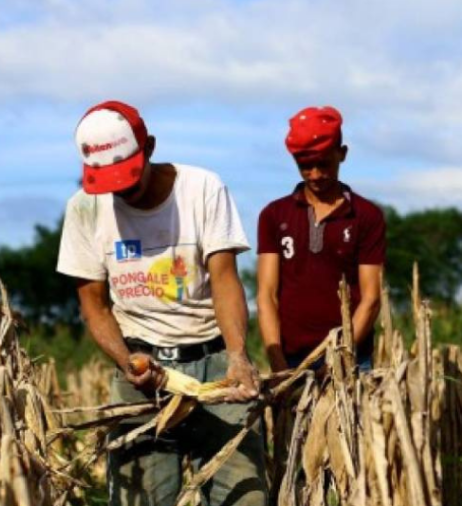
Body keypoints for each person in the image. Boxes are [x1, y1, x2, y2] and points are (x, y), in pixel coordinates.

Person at [57, 100, 267, 506]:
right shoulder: (84, 208)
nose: (121, 190)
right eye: (109, 181)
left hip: (215, 365)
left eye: (127, 176)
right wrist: (127, 362)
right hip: (141, 373)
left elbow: (225, 280)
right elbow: (94, 307)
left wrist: (238, 356)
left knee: (245, 497)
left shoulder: (202, 188)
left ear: (149, 147)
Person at [256, 105, 386, 373]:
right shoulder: (274, 215)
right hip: (291, 360)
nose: (315, 174)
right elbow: (266, 294)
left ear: (342, 154)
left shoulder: (366, 216)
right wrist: (277, 361)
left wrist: (340, 358)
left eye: (324, 164)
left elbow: (371, 298)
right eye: (305, 166)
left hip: (351, 358)